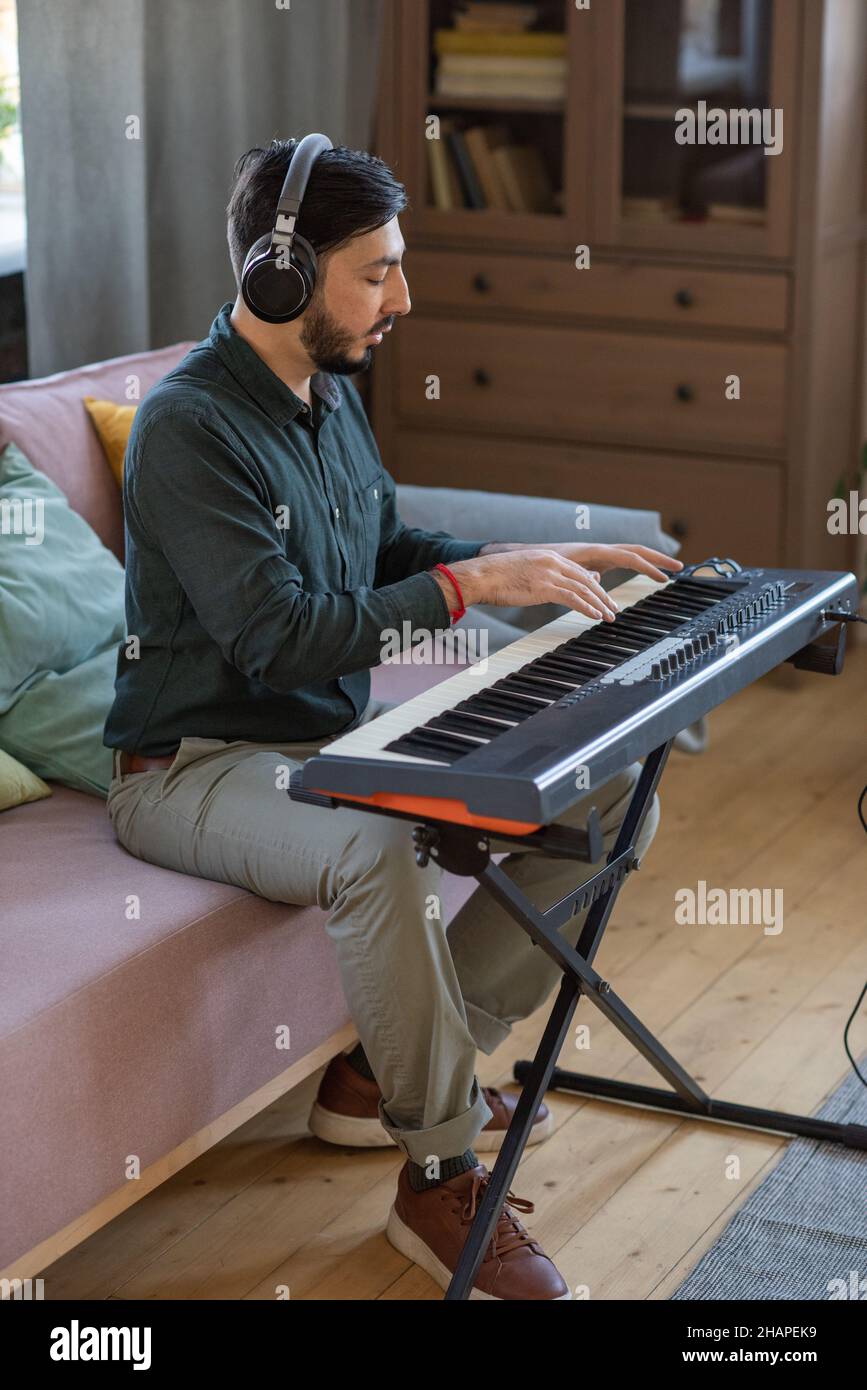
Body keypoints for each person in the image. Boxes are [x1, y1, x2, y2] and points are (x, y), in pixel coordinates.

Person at [103, 137, 682, 1300]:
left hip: (324, 746)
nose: (401, 299)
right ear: (282, 273)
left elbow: (389, 551)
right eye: (377, 273)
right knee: (379, 848)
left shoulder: (324, 395)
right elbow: (282, 634)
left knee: (612, 776)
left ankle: (391, 1072)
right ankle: (440, 1167)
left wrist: (525, 559)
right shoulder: (188, 428)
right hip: (199, 765)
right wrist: (473, 591)